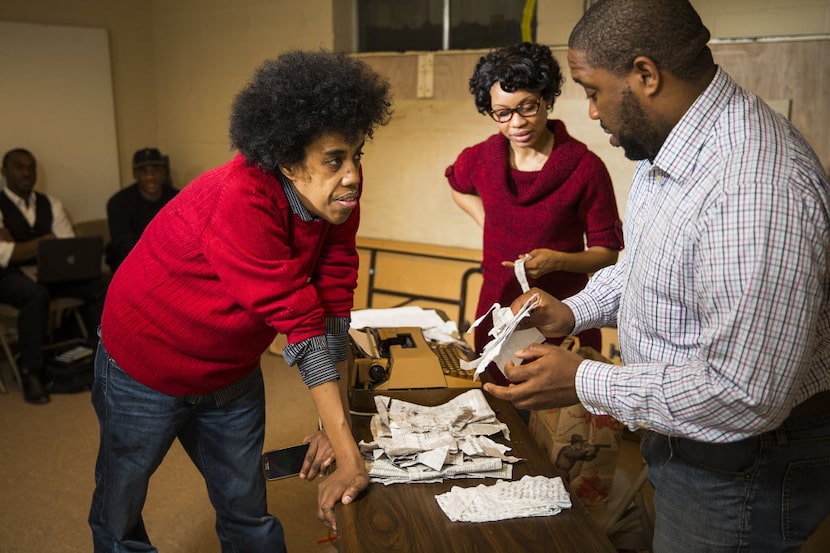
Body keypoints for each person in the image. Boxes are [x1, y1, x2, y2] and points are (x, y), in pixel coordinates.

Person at [484, 1, 830, 551]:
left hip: (739, 462)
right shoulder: (665, 152)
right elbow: (647, 268)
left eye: (592, 90)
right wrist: (575, 308)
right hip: (685, 436)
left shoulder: (754, 187)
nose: (592, 112)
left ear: (645, 75)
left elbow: (744, 393)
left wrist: (583, 380)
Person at [88, 49, 392, 553]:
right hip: (144, 368)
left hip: (229, 372)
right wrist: (348, 456)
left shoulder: (337, 198)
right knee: (120, 510)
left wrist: (330, 426)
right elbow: (300, 322)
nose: (354, 174)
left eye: (357, 154)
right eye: (335, 159)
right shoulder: (239, 196)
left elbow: (333, 295)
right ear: (289, 161)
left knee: (247, 510)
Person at [445, 41, 623, 378]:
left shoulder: (585, 168)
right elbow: (455, 183)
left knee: (556, 422)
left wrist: (560, 261)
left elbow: (607, 253)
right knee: (496, 404)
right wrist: (488, 222)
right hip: (497, 313)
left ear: (547, 98)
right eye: (503, 113)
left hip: (564, 321)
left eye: (528, 107)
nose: (517, 123)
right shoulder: (483, 158)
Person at [0, 148, 109, 405]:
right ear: (4, 172)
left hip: (51, 272)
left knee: (102, 283)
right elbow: (3, 255)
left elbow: (66, 246)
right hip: (8, 277)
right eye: (19, 167)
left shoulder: (51, 203)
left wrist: (19, 246)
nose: (27, 173)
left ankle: (99, 355)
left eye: (31, 167)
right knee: (34, 294)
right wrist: (42, 242)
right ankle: (32, 372)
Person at [105, 147, 178, 271]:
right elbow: (124, 244)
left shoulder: (176, 198)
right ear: (135, 174)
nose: (150, 176)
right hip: (132, 261)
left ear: (164, 172)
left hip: (170, 260)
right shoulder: (119, 202)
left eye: (156, 170)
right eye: (144, 171)